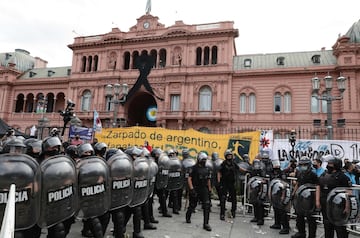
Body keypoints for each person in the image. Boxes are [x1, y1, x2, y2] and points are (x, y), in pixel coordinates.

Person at [319, 156, 351, 238]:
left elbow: (348, 192)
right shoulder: (324, 174)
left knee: (340, 227)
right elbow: (319, 186)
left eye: (331, 164)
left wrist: (347, 206)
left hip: (338, 206)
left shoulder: (342, 177)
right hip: (326, 204)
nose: (328, 165)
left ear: (336, 165)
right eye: (328, 163)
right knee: (327, 225)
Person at [291, 156, 320, 238]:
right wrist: (293, 193)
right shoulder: (300, 173)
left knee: (310, 218)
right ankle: (301, 233)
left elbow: (317, 186)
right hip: (300, 197)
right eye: (301, 164)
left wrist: (317, 200)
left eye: (305, 164)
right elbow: (298, 183)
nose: (303, 166)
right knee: (299, 216)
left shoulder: (313, 174)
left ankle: (312, 235)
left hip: (310, 199)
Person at [185, 152, 212, 231]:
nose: (204, 161)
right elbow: (189, 179)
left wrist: (209, 190)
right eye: (202, 159)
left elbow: (208, 179)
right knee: (193, 205)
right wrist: (191, 189)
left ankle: (206, 224)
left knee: (206, 205)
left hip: (204, 189)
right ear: (199, 159)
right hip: (195, 188)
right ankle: (188, 216)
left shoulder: (207, 169)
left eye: (205, 160)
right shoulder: (193, 168)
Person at [269, 159, 290, 235]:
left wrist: (284, 195)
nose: (276, 166)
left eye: (277, 165)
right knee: (275, 208)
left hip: (282, 192)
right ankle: (277, 223)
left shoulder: (282, 173)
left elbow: (284, 183)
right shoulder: (271, 172)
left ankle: (286, 227)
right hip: (274, 192)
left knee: (282, 210)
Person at [218, 149, 239, 220]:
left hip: (232, 183)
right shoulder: (223, 163)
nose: (229, 157)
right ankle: (222, 214)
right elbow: (219, 172)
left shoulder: (234, 163)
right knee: (223, 198)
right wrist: (219, 181)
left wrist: (248, 170)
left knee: (233, 198)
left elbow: (239, 169)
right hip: (224, 183)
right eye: (228, 155)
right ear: (226, 156)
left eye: (230, 155)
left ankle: (233, 211)